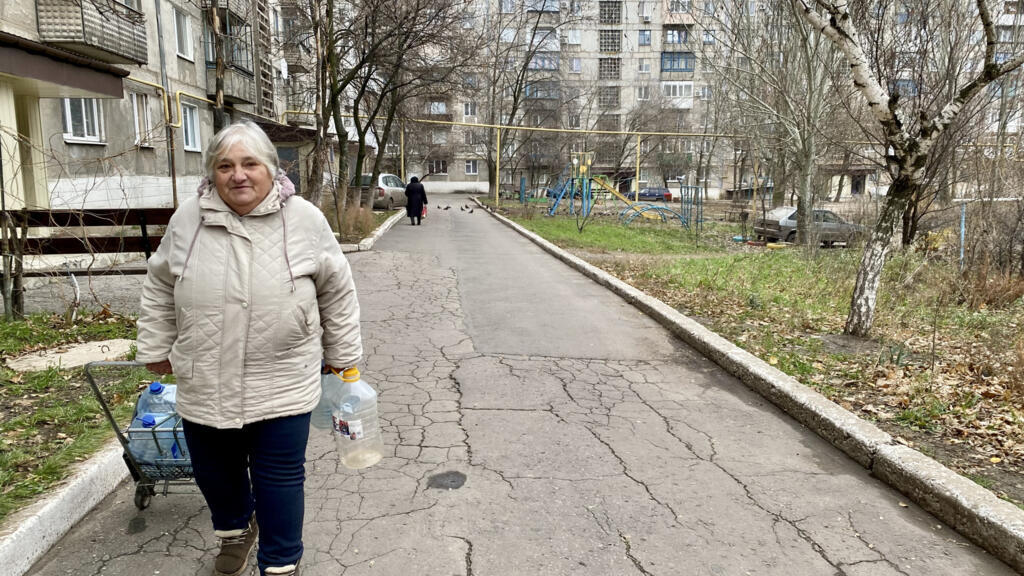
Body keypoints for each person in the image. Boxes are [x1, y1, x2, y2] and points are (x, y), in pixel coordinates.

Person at [136, 120, 362, 576]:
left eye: (249, 164)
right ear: (212, 173)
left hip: (282, 373)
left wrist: (342, 356)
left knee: (279, 479)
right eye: (225, 166)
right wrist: (155, 346)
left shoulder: (304, 220)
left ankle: (280, 564)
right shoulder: (188, 219)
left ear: (271, 170)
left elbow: (336, 290)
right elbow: (160, 284)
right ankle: (236, 530)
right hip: (205, 373)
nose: (238, 175)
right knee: (215, 474)